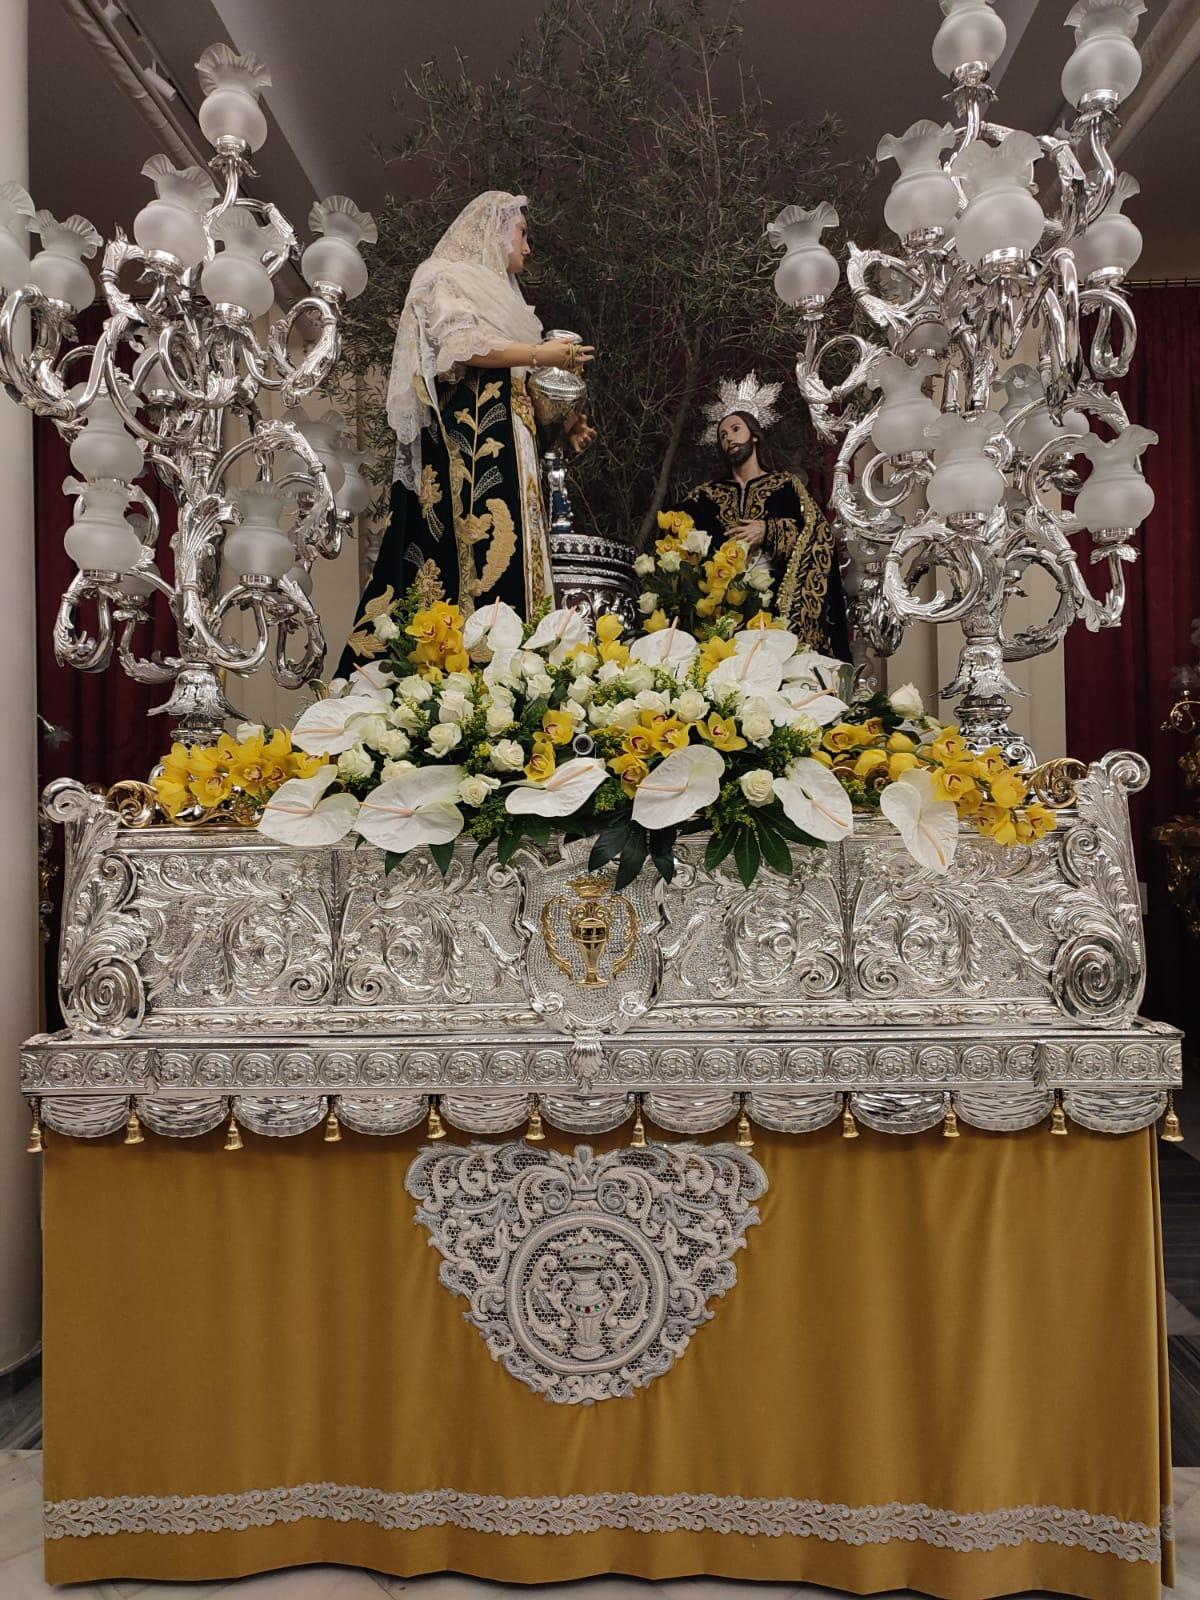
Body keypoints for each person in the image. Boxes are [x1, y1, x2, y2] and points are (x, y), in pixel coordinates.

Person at [338, 190, 595, 673]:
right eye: (523, 234)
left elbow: (522, 383)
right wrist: (542, 354)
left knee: (527, 548)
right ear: (493, 231)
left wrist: (566, 423)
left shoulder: (513, 303)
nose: (528, 247)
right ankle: (482, 664)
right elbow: (464, 348)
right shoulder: (446, 278)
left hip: (518, 446)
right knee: (483, 550)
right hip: (473, 439)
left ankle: (527, 667)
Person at [677, 373, 849, 657]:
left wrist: (769, 531)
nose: (728, 438)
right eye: (722, 435)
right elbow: (678, 538)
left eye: (735, 429)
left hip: (776, 608)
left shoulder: (785, 486)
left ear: (754, 434)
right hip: (722, 615)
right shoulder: (704, 497)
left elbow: (818, 536)